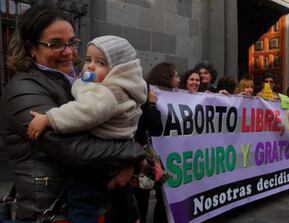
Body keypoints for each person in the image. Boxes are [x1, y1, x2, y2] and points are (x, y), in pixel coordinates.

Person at [0, 5, 146, 222]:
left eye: (71, 42)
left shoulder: (77, 81)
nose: (68, 51)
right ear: (31, 48)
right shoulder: (23, 89)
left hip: (92, 202)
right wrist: (135, 153)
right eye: (55, 44)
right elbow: (76, 149)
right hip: (53, 210)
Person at [134, 62, 179, 223]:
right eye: (176, 75)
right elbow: (156, 127)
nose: (179, 79)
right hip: (136, 157)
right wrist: (151, 104)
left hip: (136, 156)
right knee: (139, 200)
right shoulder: (147, 100)